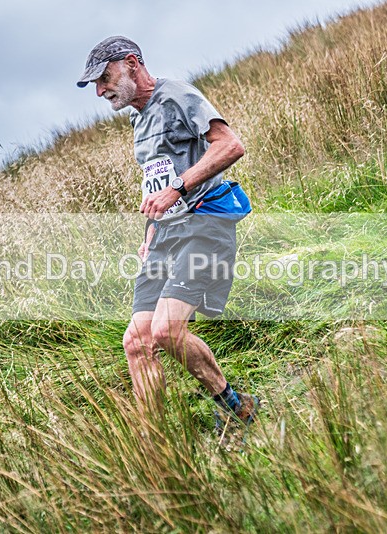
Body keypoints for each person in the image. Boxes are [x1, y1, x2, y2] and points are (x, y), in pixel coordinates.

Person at [77, 36, 258, 433]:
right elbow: (154, 182)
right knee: (137, 343)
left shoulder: (176, 95)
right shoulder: (138, 117)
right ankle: (157, 447)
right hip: (165, 236)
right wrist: (150, 230)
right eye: (95, 83)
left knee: (166, 330)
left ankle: (236, 406)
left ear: (131, 63)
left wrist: (179, 187)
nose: (100, 89)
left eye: (105, 78)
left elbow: (231, 146)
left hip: (205, 221)